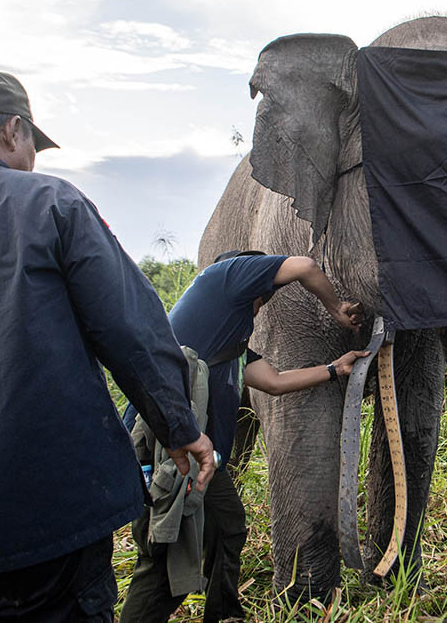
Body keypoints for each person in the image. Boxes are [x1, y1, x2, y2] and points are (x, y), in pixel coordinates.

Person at [0, 67, 216, 622]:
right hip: (46, 515)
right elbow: (132, 329)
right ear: (14, 130)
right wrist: (180, 427)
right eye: (33, 141)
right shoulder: (50, 203)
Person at [120, 251, 365, 623]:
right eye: (265, 286)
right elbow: (304, 266)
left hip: (201, 460)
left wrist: (335, 369)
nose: (267, 297)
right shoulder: (225, 275)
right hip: (170, 452)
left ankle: (224, 613)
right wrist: (337, 308)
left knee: (227, 529)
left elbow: (275, 383)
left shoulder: (230, 344)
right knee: (164, 556)